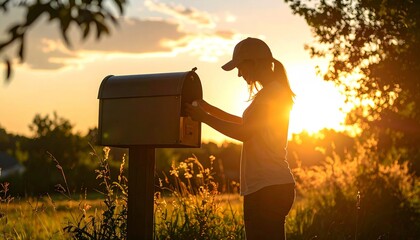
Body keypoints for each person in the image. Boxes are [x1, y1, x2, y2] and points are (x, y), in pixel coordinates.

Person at [185, 37, 296, 240]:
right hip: (272, 185)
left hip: (266, 188)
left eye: (240, 67)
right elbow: (246, 124)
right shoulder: (273, 92)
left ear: (253, 63)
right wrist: (207, 108)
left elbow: (245, 133)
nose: (238, 74)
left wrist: (205, 118)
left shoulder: (271, 94)